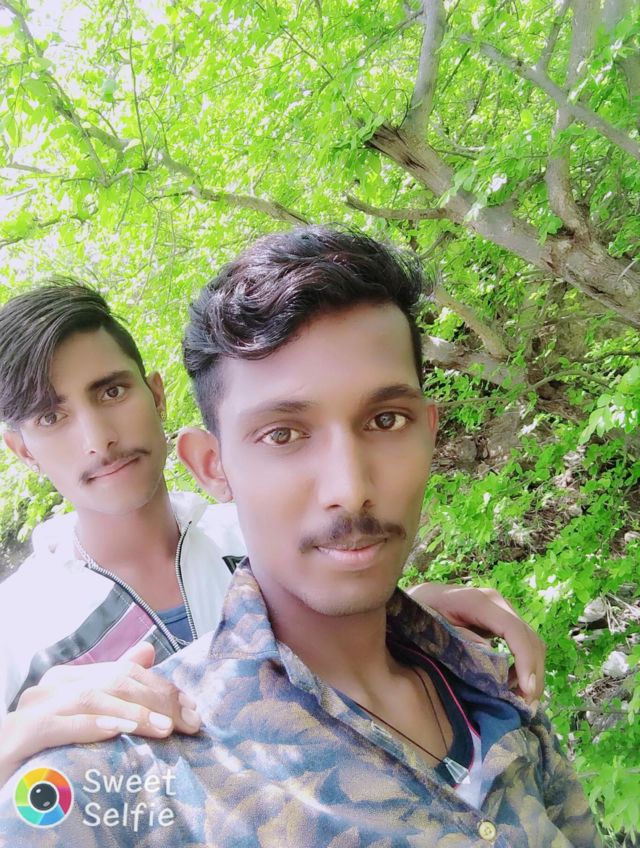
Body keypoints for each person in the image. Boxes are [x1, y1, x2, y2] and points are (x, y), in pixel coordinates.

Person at [0, 228, 599, 846]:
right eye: (283, 435)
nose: (350, 490)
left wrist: (414, 618)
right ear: (214, 466)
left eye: (385, 420)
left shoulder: (478, 685)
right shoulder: (29, 649)